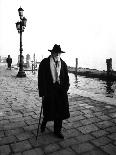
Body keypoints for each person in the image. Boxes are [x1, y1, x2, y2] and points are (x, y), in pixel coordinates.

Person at [38, 44, 70, 139]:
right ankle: (44, 123)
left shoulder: (63, 63)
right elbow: (41, 77)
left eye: (59, 53)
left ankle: (57, 131)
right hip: (49, 91)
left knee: (60, 111)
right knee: (48, 111)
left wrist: (65, 88)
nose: (57, 54)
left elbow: (66, 77)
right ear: (52, 53)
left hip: (60, 92)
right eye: (55, 52)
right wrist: (43, 91)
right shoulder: (45, 62)